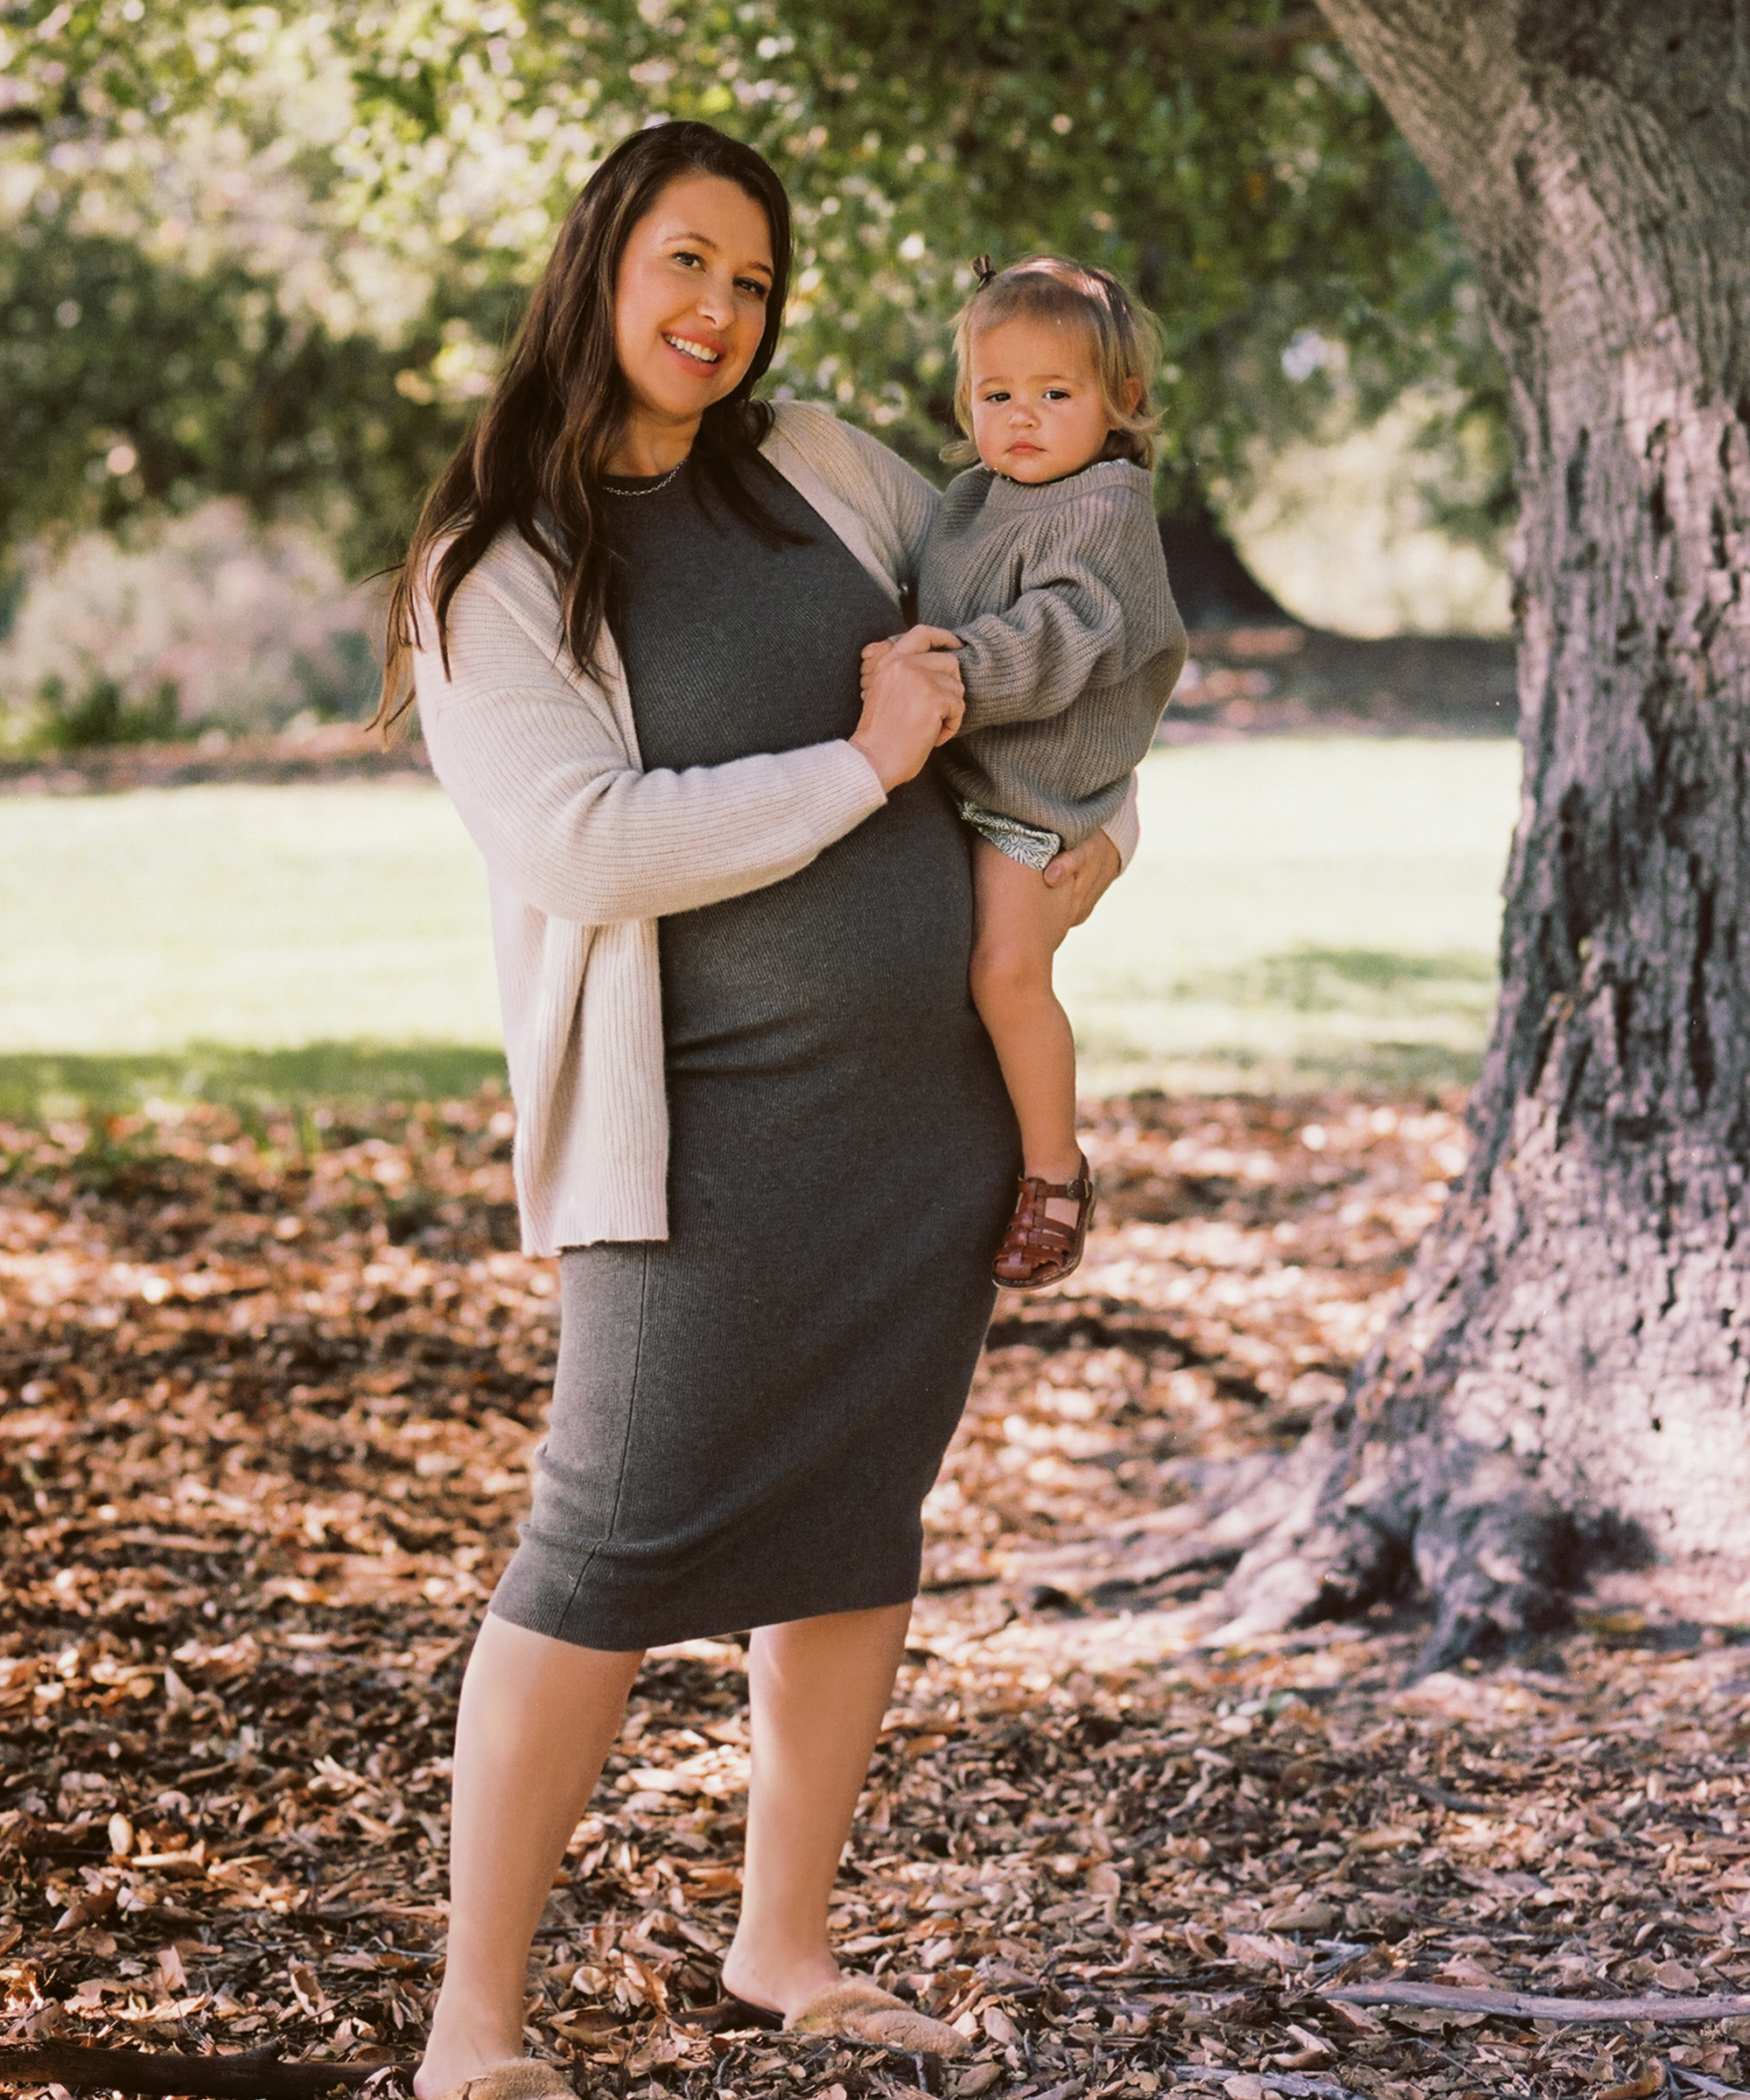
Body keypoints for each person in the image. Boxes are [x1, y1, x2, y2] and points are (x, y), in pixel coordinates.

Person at [375, 124, 1134, 2100]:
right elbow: (582, 842)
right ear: (600, 264)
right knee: (603, 1542)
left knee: (852, 1519)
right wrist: (862, 765)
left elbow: (1034, 623)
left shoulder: (817, 466)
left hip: (925, 1116)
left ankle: (782, 1942)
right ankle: (473, 2019)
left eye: (754, 279)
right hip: (693, 1140)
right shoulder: (494, 565)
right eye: (685, 262)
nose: (720, 310)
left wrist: (1093, 836)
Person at [864, 256, 1186, 1292]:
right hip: (964, 777)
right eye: (996, 395)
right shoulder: (974, 498)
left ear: (1119, 401)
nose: (1021, 419)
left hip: (1033, 800)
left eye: (1054, 394)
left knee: (1005, 971)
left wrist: (943, 673)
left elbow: (1062, 633)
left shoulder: (1105, 511)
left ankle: (1053, 1172)